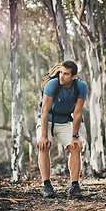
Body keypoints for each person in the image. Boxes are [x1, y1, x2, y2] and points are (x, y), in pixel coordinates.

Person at [37, 60, 88, 199]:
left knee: (75, 147)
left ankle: (75, 186)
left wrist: (75, 136)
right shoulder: (52, 84)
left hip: (64, 121)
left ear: (73, 77)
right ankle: (47, 185)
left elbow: (77, 113)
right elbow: (44, 110)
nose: (61, 76)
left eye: (66, 74)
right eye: (60, 73)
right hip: (46, 120)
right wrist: (43, 136)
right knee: (44, 146)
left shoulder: (81, 87)